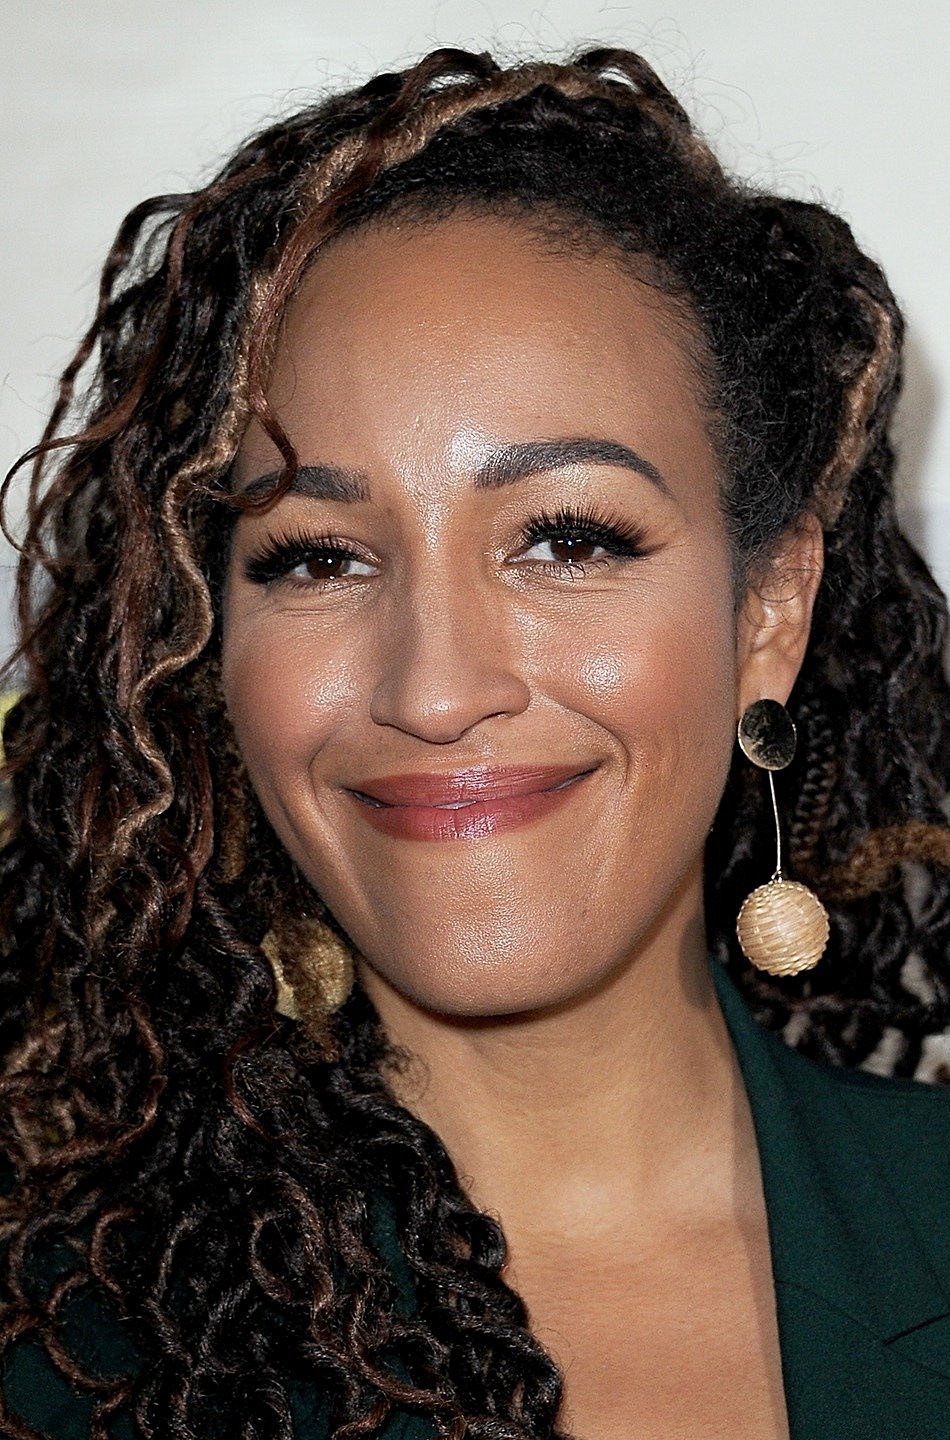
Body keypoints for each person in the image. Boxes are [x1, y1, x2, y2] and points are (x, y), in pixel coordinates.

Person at [1, 43, 949, 1440]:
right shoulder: (56, 1355)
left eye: (566, 539)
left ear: (767, 609)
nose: (435, 692)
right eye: (317, 557)